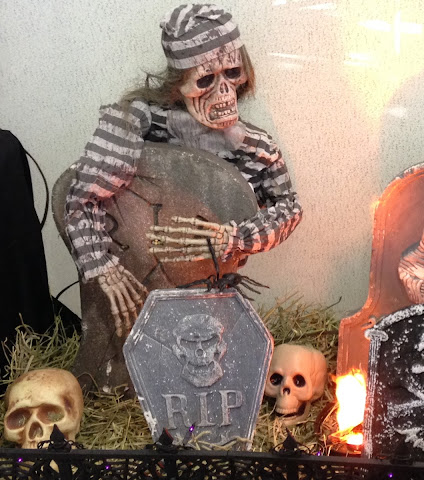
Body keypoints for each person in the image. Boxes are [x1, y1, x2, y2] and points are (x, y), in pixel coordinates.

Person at [64, 4, 302, 336]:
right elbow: (81, 197)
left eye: (232, 73)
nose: (223, 91)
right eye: (205, 79)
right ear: (179, 84)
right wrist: (102, 266)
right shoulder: (141, 120)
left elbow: (289, 208)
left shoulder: (257, 149)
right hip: (140, 288)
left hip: (211, 290)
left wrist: (236, 238)